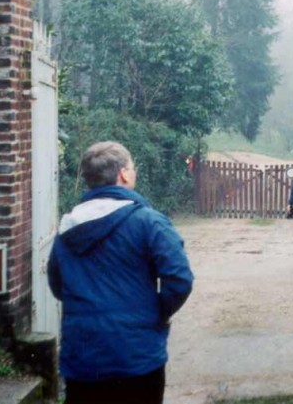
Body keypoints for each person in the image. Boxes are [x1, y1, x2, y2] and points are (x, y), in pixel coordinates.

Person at [48, 141, 193, 404]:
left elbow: (57, 285)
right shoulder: (148, 222)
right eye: (132, 168)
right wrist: (157, 313)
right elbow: (179, 278)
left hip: (82, 358)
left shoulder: (67, 228)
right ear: (124, 174)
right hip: (136, 358)